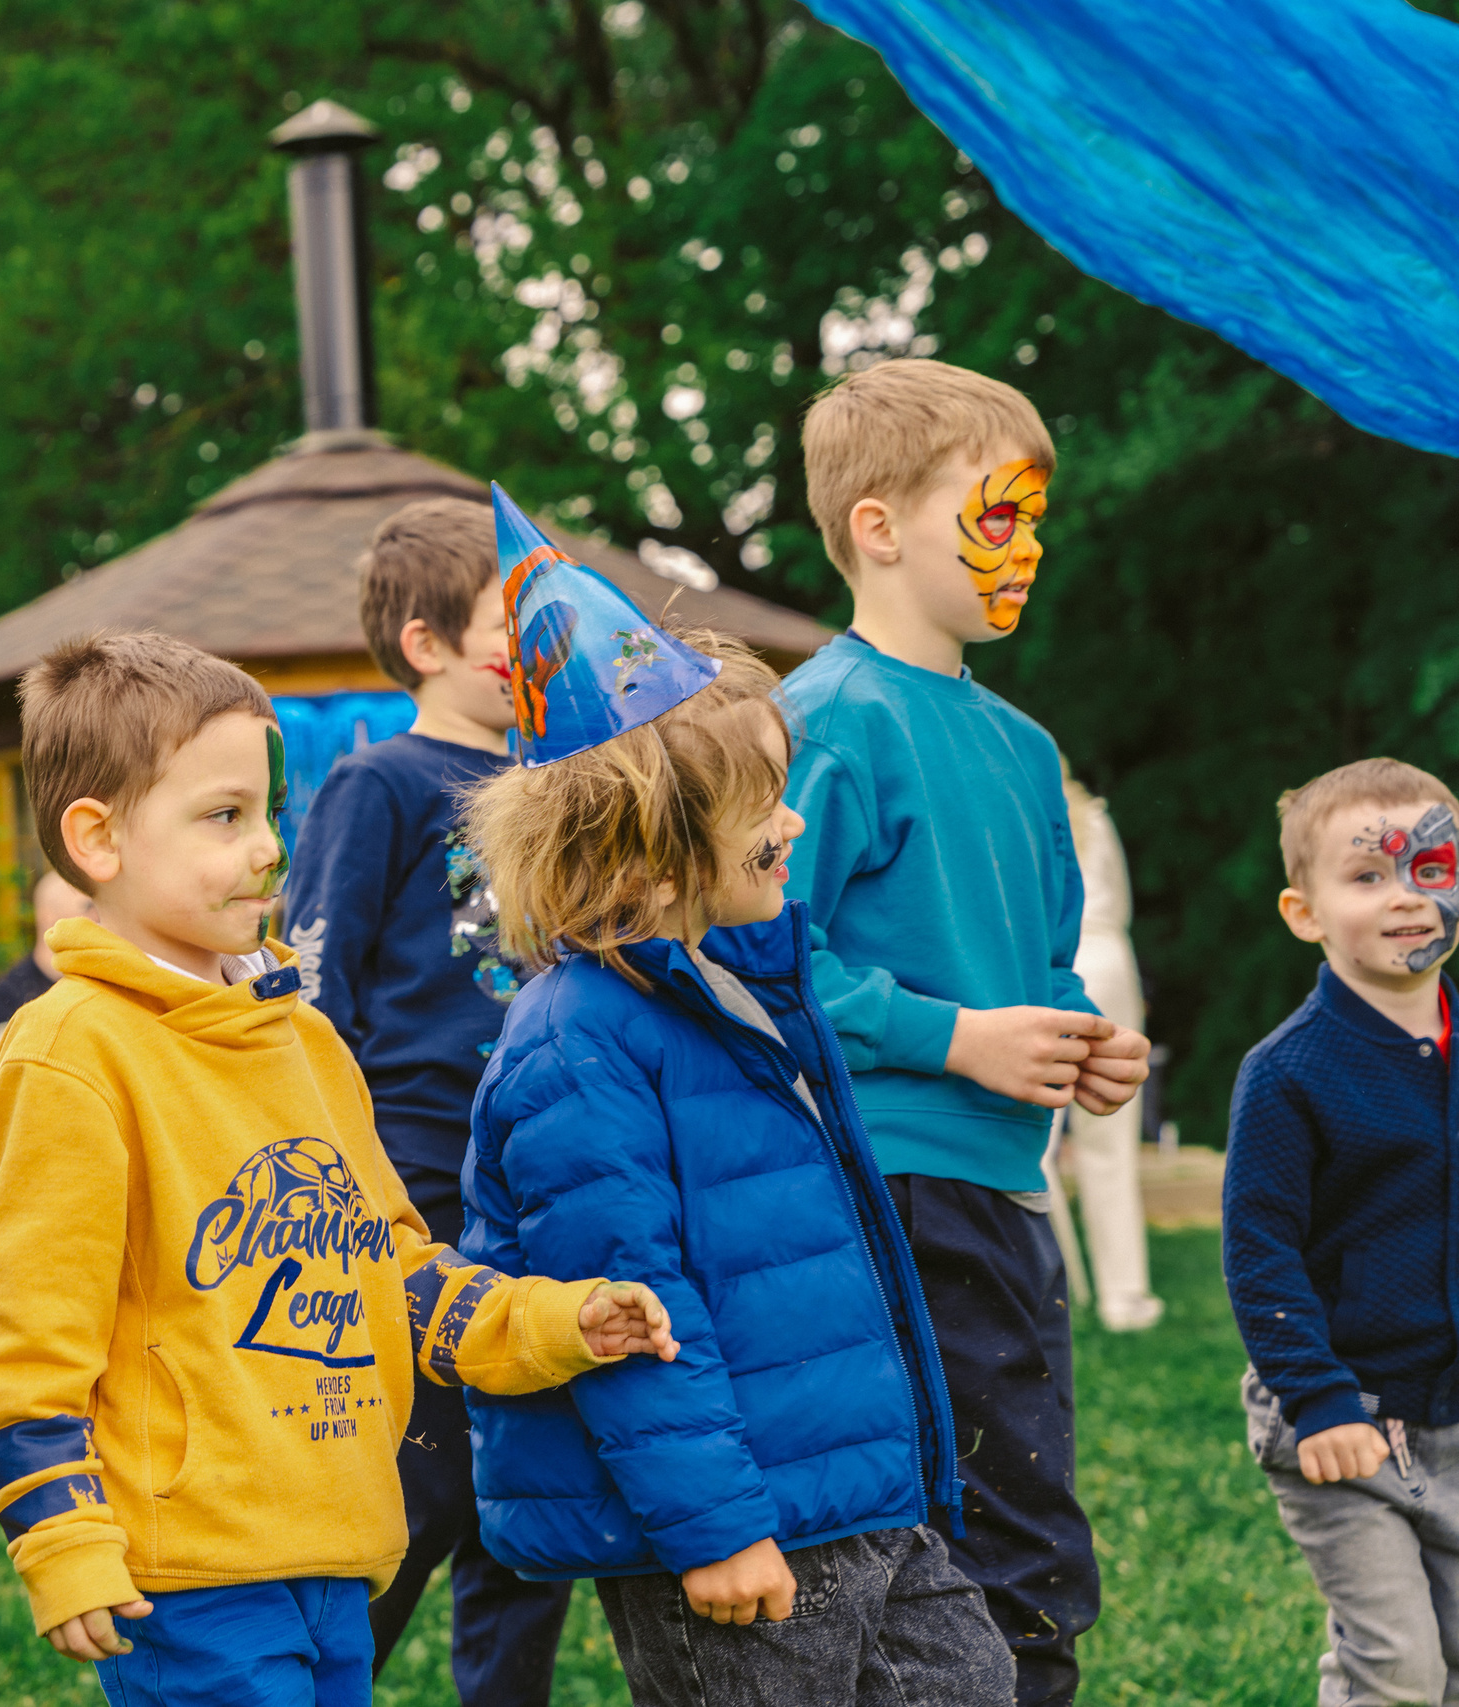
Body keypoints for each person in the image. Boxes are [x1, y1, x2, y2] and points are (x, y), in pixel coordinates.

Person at [0, 629, 677, 1707]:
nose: (268, 849)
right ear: (97, 840)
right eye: (223, 816)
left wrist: (553, 1325)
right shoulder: (72, 1052)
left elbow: (391, 1264)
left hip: (340, 1551)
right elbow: (29, 1338)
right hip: (192, 1576)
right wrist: (60, 1540)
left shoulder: (305, 1043)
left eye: (268, 814)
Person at [461, 488, 1011, 1706]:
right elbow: (626, 1314)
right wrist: (713, 1529)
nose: (795, 822)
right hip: (736, 1527)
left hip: (857, 1492)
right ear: (656, 847)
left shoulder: (754, 990)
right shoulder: (576, 1048)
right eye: (762, 805)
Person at [775, 358, 1150, 1706]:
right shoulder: (824, 718)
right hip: (888, 1187)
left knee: (1030, 1526)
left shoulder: (1024, 746)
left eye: (1039, 514)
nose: (1030, 544)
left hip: (1007, 1192)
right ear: (879, 527)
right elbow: (765, 954)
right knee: (947, 1533)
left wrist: (1087, 1038)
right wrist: (954, 1039)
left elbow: (1046, 960)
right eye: (999, 512)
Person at [281, 496, 573, 1704]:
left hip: (545, 1169)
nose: (534, 652)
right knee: (428, 1476)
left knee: (535, 1485)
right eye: (510, 626)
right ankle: (319, 1677)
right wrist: (342, 1163)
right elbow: (315, 978)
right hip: (414, 1171)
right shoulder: (378, 783)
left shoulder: (555, 785)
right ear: (425, 645)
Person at [1226, 757, 1459, 1706]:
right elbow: (1258, 1250)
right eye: (1368, 876)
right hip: (1342, 1416)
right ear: (1304, 913)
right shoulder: (1288, 1073)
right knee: (1397, 1667)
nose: (1406, 898)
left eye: (1432, 868)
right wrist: (1318, 1398)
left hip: (1454, 1410)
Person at [1061, 771, 1162, 1332]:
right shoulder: (1095, 820)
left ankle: (1060, 1280)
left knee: (1036, 1139)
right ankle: (1124, 1296)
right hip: (1109, 960)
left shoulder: (1016, 815)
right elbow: (1118, 902)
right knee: (1111, 1141)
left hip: (1058, 962)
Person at [0, 868, 94, 1048]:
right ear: (48, 916)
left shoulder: (98, 983)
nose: (96, 916)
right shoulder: (10, 995)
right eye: (88, 907)